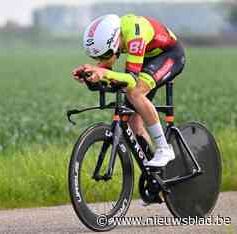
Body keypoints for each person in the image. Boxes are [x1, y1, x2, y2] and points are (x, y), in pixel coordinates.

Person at [72, 14, 185, 167]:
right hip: (146, 57)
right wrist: (90, 74)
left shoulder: (135, 35)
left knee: (135, 93)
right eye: (97, 57)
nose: (102, 60)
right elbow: (106, 68)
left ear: (115, 41)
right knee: (133, 119)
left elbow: (131, 80)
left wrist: (103, 73)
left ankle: (164, 149)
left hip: (169, 54)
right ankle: (156, 175)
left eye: (105, 55)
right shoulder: (116, 37)